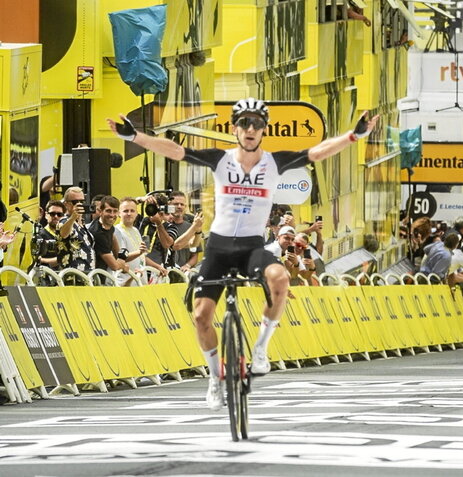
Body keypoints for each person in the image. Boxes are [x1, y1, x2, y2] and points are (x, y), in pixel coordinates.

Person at [107, 98, 378, 410]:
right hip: (219, 248)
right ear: (235, 128)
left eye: (257, 124)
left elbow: (316, 152)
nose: (250, 129)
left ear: (264, 129)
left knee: (279, 280)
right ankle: (214, 378)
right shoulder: (221, 160)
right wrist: (133, 137)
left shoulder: (274, 163)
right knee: (200, 315)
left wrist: (353, 136)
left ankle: (261, 349)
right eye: (244, 123)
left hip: (252, 247)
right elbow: (174, 150)